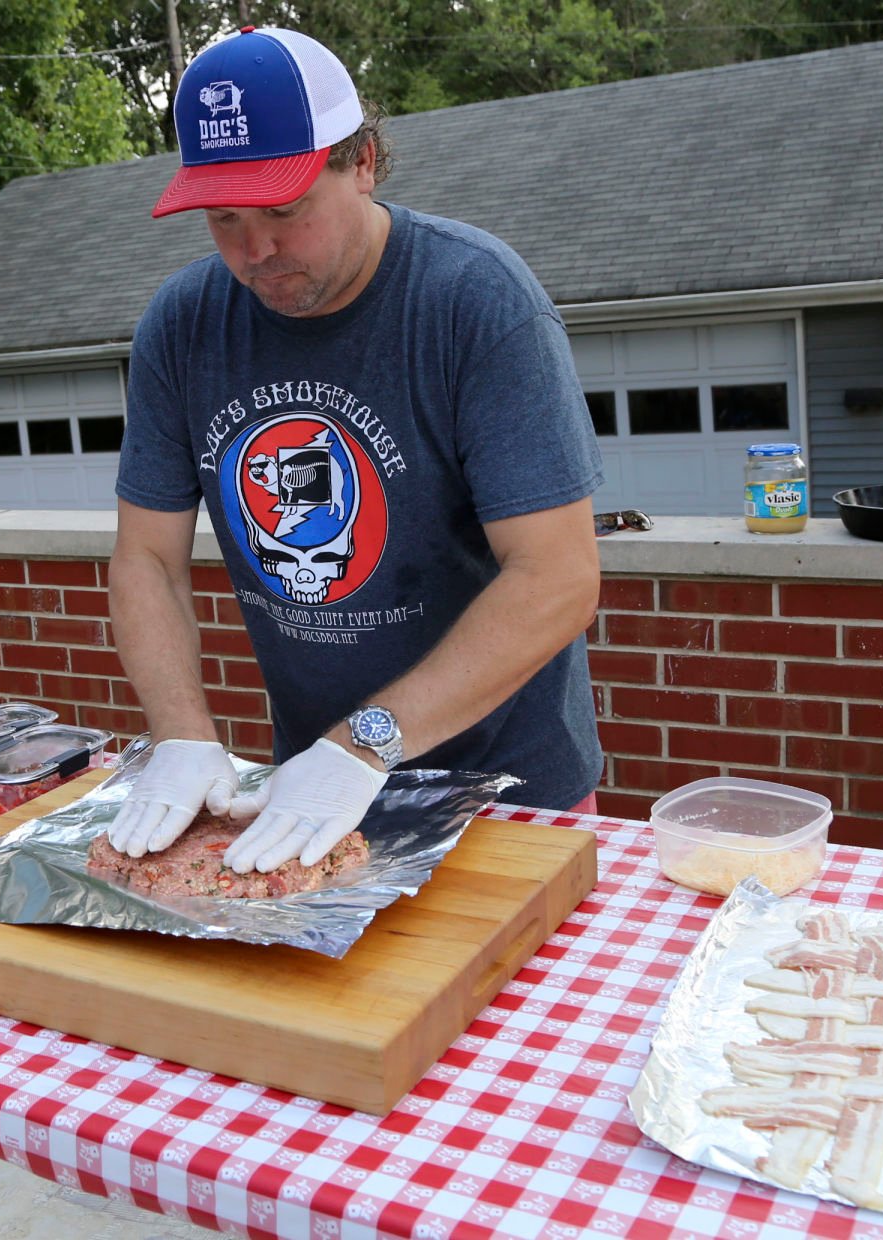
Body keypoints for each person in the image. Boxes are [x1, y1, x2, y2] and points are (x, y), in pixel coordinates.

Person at [105, 26, 603, 875]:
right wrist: (182, 735)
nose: (254, 251)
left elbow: (557, 578)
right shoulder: (183, 325)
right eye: (223, 218)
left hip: (509, 792)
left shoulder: (474, 301)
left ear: (363, 160)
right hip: (308, 792)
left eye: (285, 209)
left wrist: (363, 744)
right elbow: (146, 558)